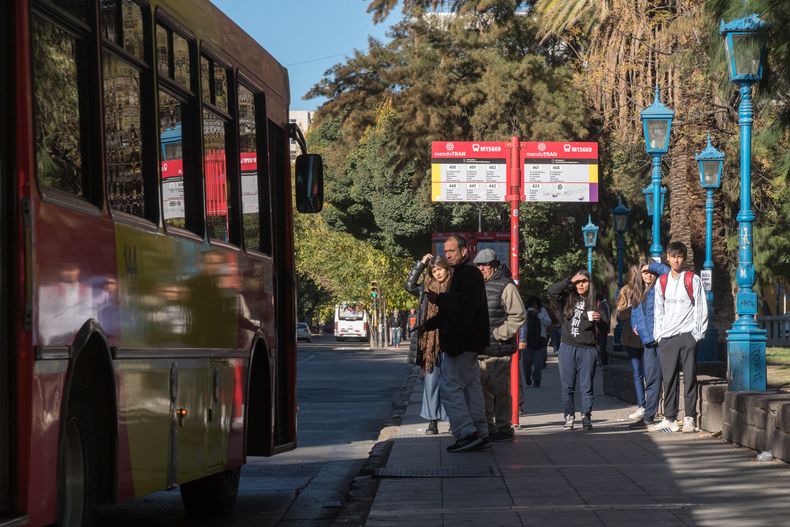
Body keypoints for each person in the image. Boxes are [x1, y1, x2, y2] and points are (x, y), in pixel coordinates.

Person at [422, 235, 490, 452]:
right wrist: (429, 324)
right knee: (471, 387)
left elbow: (461, 306)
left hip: (461, 341)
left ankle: (466, 432)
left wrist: (439, 300)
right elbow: (453, 308)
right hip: (467, 341)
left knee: (450, 388)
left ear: (463, 251)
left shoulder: (468, 273)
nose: (448, 254)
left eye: (452, 251)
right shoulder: (461, 273)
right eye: (446, 251)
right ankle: (481, 430)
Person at [650, 242, 708, 433]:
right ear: (667, 257)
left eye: (680, 256)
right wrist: (659, 335)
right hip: (667, 337)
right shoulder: (662, 281)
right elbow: (658, 309)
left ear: (684, 258)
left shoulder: (693, 279)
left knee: (690, 377)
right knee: (669, 379)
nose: (676, 259)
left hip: (687, 335)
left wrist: (696, 335)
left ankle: (689, 418)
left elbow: (701, 308)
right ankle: (670, 418)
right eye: (673, 256)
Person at [473, 249, 525, 441]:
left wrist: (498, 334)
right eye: (478, 265)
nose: (480, 268)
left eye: (484, 265)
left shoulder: (506, 286)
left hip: (498, 348)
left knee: (500, 391)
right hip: (479, 348)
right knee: (483, 392)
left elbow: (518, 315)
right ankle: (489, 427)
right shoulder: (476, 285)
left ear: (493, 265)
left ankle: (503, 426)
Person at [548, 270, 608, 431]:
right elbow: (552, 291)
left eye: (584, 281)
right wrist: (569, 279)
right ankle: (569, 416)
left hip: (587, 349)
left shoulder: (597, 302)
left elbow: (605, 327)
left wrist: (599, 319)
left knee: (586, 386)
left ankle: (586, 416)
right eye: (577, 282)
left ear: (590, 283)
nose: (580, 284)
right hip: (567, 347)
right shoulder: (567, 299)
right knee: (567, 386)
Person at [404, 254, 451, 435]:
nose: (438, 273)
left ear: (446, 268)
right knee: (431, 383)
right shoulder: (426, 289)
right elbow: (409, 285)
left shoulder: (454, 287)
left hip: (449, 340)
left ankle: (452, 419)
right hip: (429, 343)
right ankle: (432, 422)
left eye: (440, 269)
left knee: (450, 383)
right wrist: (421, 264)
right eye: (434, 271)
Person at [630, 258, 670, 428]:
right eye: (644, 271)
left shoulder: (661, 287)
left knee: (667, 379)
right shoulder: (639, 291)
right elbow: (634, 312)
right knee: (652, 380)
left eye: (651, 271)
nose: (648, 274)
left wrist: (652, 265)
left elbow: (668, 271)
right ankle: (649, 416)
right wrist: (634, 325)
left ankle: (669, 416)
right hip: (648, 342)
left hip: (661, 340)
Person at [615, 278, 648, 422]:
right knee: (638, 373)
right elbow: (621, 315)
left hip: (645, 339)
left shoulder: (645, 295)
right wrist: (632, 305)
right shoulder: (628, 298)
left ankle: (648, 404)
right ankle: (642, 404)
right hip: (632, 340)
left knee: (646, 373)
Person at [519, 295, 551, 387]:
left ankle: (537, 380)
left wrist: (539, 314)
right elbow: (521, 326)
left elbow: (548, 322)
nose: (534, 307)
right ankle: (527, 376)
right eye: (532, 306)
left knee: (538, 363)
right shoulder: (524, 312)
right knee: (526, 362)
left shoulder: (543, 311)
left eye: (536, 305)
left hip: (540, 340)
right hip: (527, 341)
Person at [596, 293, 611, 366]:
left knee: (602, 347)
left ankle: (604, 362)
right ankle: (603, 361)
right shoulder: (605, 305)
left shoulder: (602, 307)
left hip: (602, 330)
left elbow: (606, 319)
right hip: (602, 329)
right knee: (601, 346)